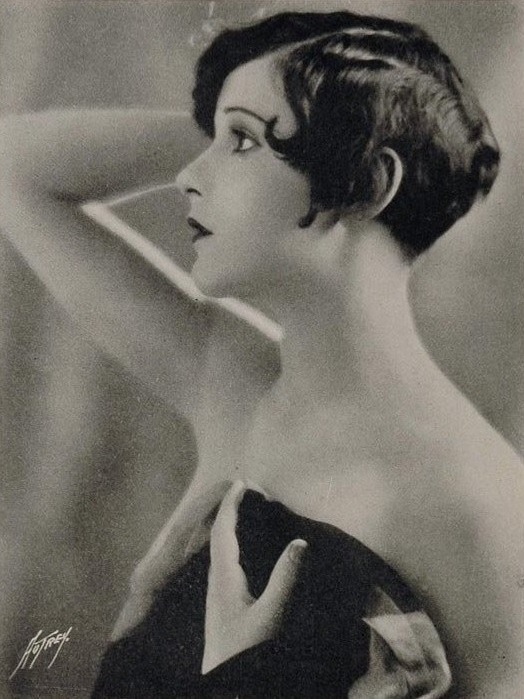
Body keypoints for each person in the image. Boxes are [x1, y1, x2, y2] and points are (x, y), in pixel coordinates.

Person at [1, 8, 522, 698]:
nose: (189, 175)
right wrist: (251, 122)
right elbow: (14, 166)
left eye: (242, 142)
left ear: (369, 182)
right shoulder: (234, 379)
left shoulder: (479, 512)